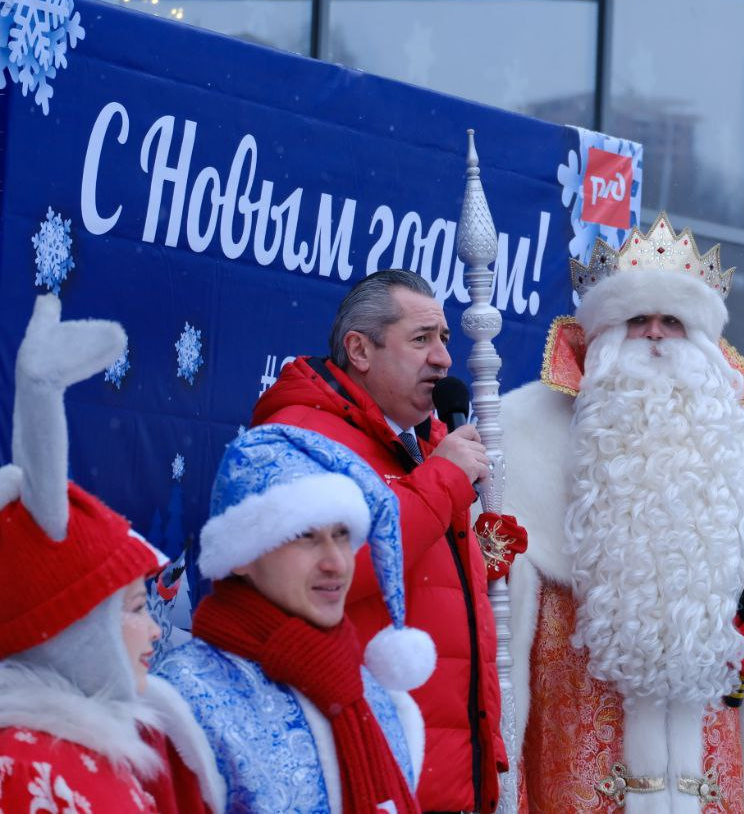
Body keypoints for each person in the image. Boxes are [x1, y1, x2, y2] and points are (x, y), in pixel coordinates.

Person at [498, 214, 744, 810]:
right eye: (637, 321)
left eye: (672, 321)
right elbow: (493, 589)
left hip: (707, 741)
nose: (657, 336)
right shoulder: (524, 429)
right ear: (603, 335)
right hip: (578, 725)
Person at [252, 269, 516, 813]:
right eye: (421, 339)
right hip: (359, 783)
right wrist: (441, 482)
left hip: (445, 786)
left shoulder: (430, 448)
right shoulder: (301, 439)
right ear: (360, 350)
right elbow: (323, 579)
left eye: (444, 338)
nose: (443, 358)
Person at [151, 424, 431, 813]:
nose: (336, 563)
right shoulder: (183, 703)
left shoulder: (377, 699)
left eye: (342, 535)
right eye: (306, 536)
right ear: (244, 554)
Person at [0, 295, 200, 811]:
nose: (156, 628)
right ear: (67, 628)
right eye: (134, 608)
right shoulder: (34, 772)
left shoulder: (84, 752)